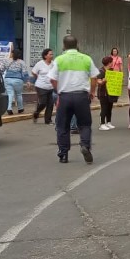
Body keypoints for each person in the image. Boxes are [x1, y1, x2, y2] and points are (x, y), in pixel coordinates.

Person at [49, 35, 99, 164]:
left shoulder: (59, 60)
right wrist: (92, 92)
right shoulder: (86, 59)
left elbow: (52, 79)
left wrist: (58, 92)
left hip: (65, 96)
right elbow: (94, 77)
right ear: (77, 45)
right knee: (85, 124)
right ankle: (85, 146)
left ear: (64, 46)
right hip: (82, 96)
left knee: (62, 126)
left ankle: (63, 154)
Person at [31, 48, 55, 124]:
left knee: (50, 104)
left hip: (50, 87)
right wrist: (38, 77)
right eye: (50, 54)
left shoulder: (53, 64)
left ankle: (48, 120)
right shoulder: (40, 64)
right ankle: (36, 113)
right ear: (45, 56)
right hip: (41, 86)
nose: (52, 56)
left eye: (52, 54)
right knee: (43, 103)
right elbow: (33, 72)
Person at [2, 49, 28, 115]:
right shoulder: (22, 62)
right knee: (19, 94)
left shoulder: (7, 61)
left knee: (10, 94)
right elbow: (25, 72)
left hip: (7, 79)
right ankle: (20, 109)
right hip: (18, 80)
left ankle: (9, 108)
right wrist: (27, 81)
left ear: (12, 54)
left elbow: (1, 69)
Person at [97, 56, 118, 130]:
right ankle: (102, 124)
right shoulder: (101, 71)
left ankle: (108, 122)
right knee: (104, 108)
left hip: (111, 92)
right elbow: (98, 81)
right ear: (109, 63)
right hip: (103, 93)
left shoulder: (111, 70)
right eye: (111, 62)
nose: (112, 63)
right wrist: (103, 81)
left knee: (109, 108)